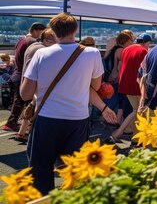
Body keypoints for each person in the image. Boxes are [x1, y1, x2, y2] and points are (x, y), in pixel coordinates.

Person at [20, 13, 117, 194]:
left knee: (40, 170)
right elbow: (95, 86)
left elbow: (25, 93)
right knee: (75, 171)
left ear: (53, 31)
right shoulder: (92, 53)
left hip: (47, 118)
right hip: (77, 119)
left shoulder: (41, 53)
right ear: (75, 30)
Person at [14, 29, 58, 143]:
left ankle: (21, 133)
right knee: (35, 111)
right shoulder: (41, 50)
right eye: (54, 40)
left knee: (29, 109)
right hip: (35, 85)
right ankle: (32, 136)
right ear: (46, 40)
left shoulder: (33, 46)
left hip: (26, 82)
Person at [109, 33, 152, 143]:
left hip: (124, 84)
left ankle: (136, 136)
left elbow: (121, 65)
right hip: (136, 84)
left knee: (136, 109)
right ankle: (118, 133)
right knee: (137, 110)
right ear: (147, 43)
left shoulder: (126, 49)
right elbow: (145, 70)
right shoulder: (143, 51)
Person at [4, 22, 46, 132]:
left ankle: (17, 125)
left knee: (18, 101)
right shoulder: (32, 42)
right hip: (23, 74)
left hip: (16, 73)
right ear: (36, 30)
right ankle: (13, 124)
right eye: (42, 32)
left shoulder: (21, 40)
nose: (42, 35)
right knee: (24, 102)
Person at [103, 32, 133, 124]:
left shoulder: (113, 49)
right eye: (130, 41)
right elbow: (123, 65)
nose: (131, 43)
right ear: (125, 41)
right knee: (118, 100)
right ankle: (112, 120)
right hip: (117, 78)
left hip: (110, 77)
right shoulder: (121, 50)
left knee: (113, 100)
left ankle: (116, 120)